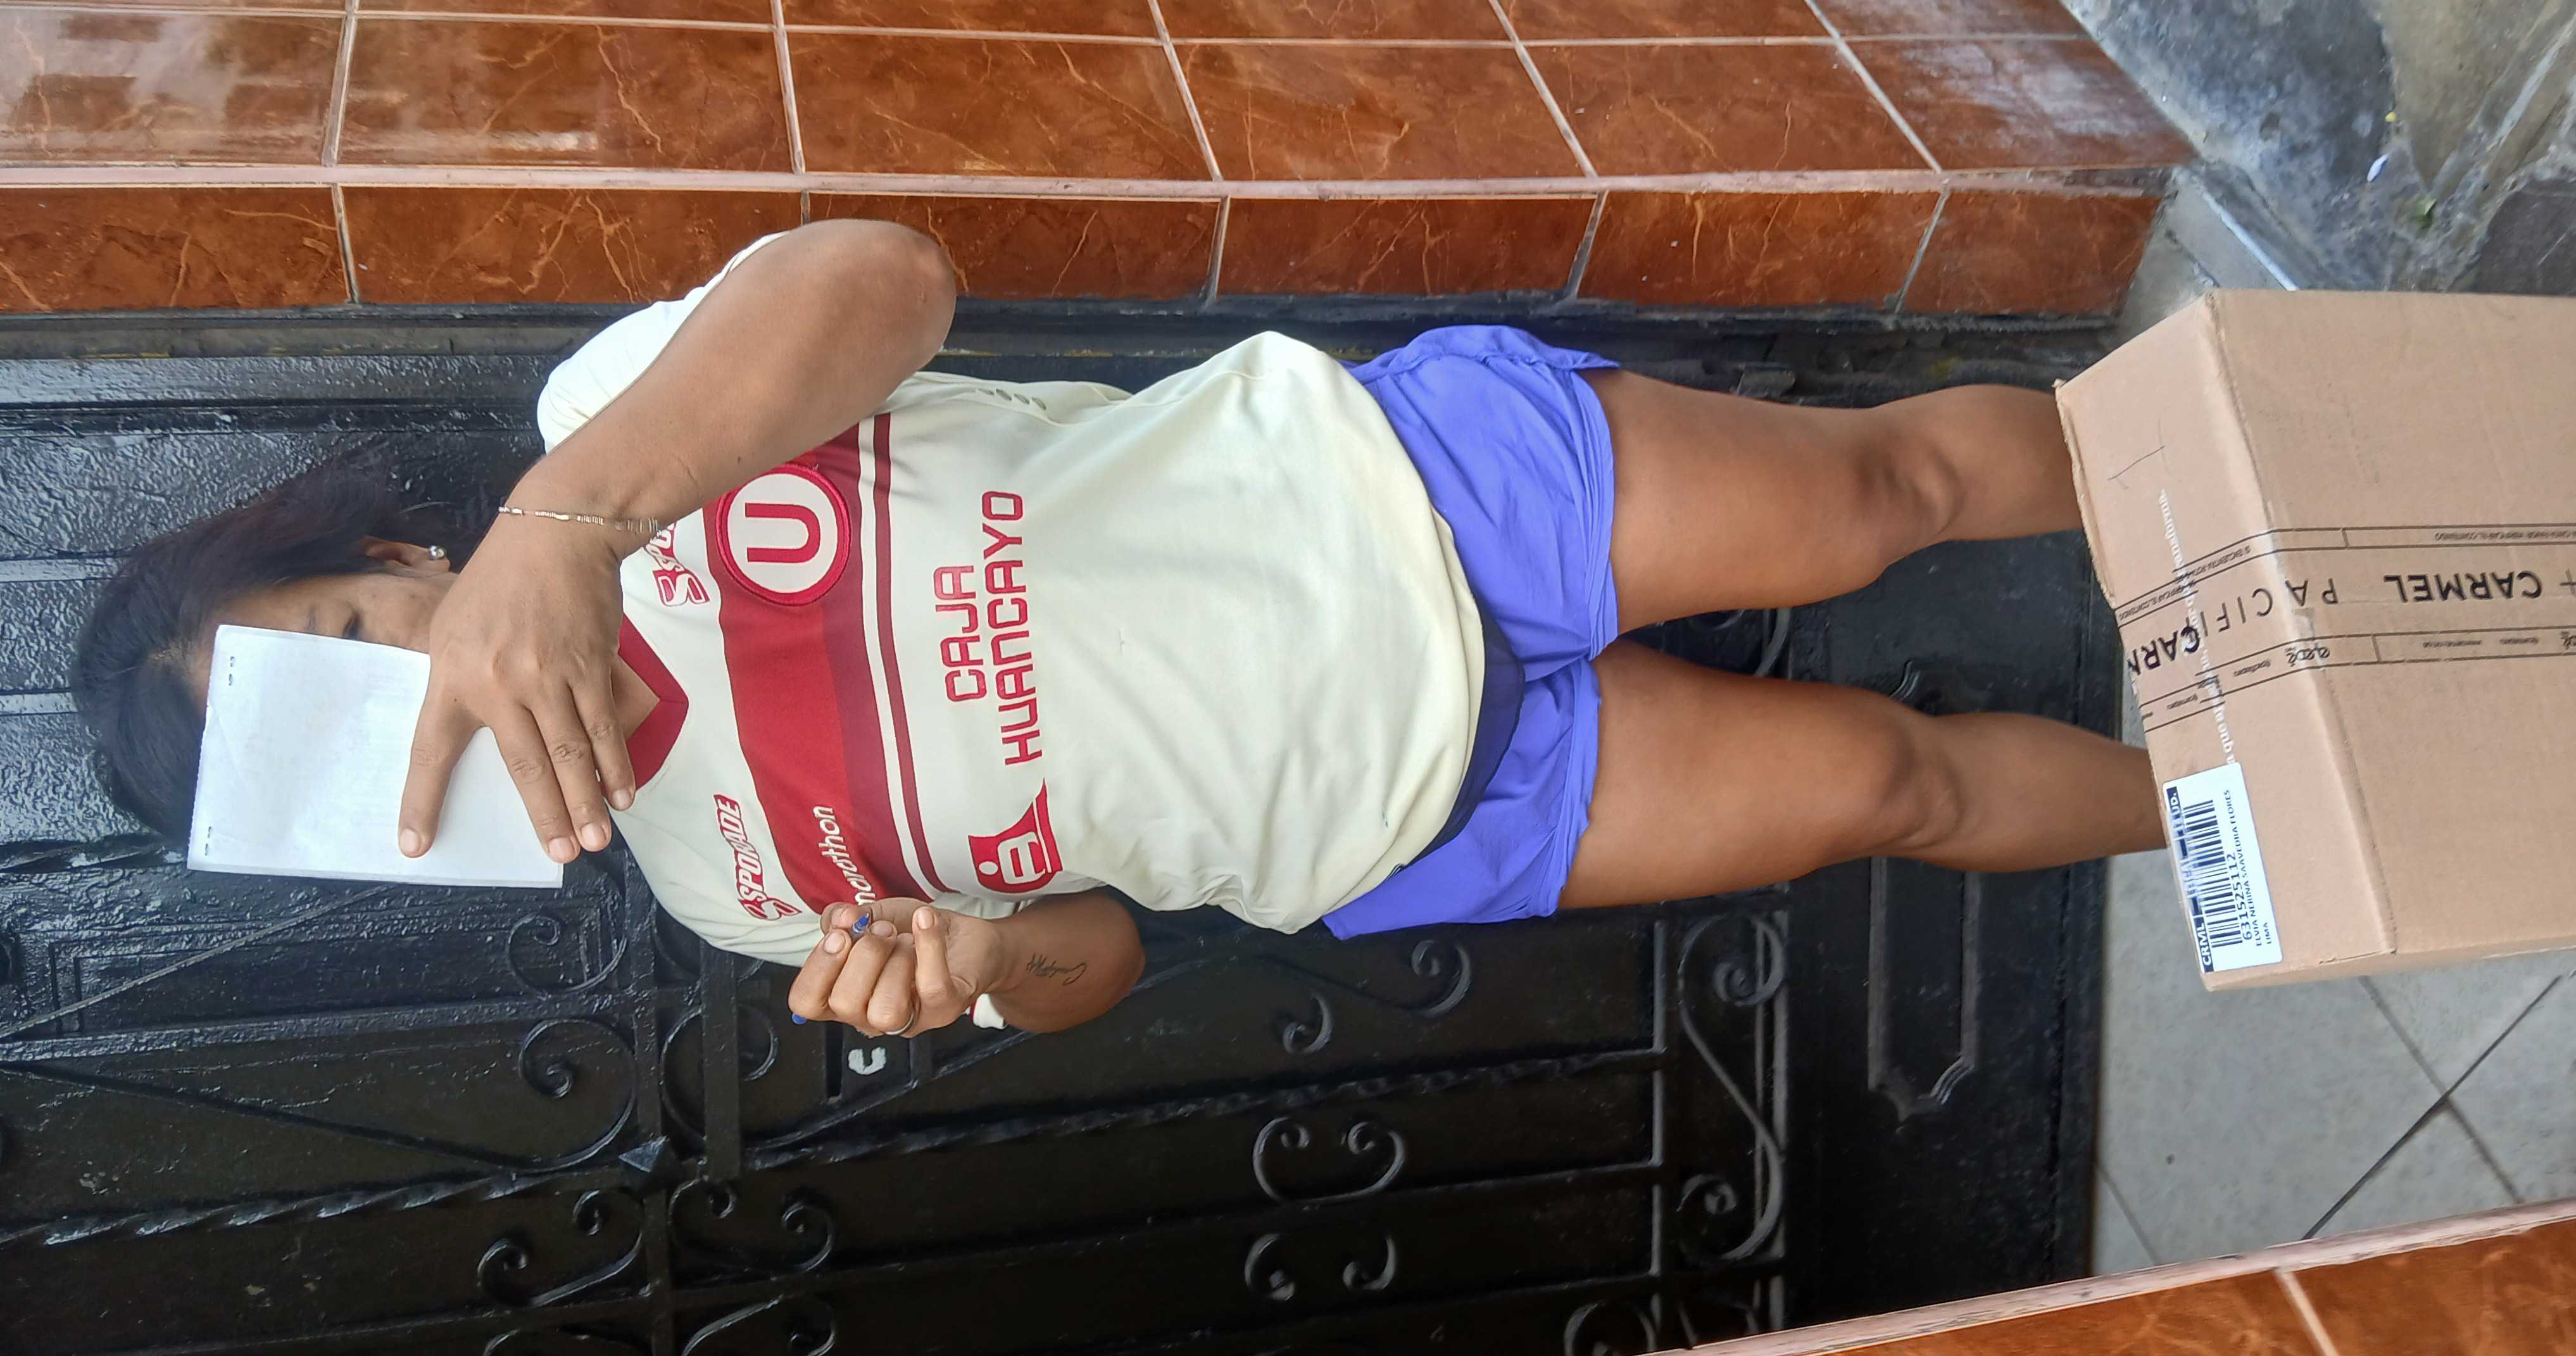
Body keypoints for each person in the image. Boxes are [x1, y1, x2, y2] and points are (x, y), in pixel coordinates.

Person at [73, 221, 2161, 1041]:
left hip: (1387, 490)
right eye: (359, 728)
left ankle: (2253, 462)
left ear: (395, 552)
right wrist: (982, 962)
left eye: (355, 626)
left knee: (1880, 496)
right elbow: (1104, 953)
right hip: (1397, 814)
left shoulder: (606, 423)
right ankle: (2252, 813)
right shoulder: (724, 890)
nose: (424, 685)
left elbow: (888, 280)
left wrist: (576, 519)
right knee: (1884, 784)